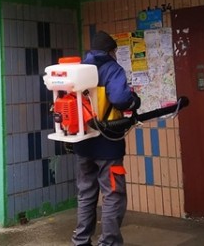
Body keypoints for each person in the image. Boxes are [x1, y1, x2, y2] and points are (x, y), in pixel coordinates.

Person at [72, 31, 140, 246]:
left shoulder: (79, 69)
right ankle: (109, 243)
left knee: (86, 193)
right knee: (112, 195)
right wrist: (133, 101)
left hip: (82, 142)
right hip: (107, 144)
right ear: (111, 50)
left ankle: (81, 241)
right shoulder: (112, 68)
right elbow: (120, 99)